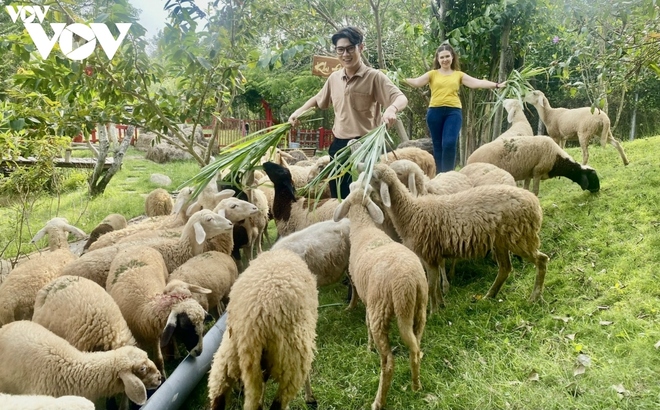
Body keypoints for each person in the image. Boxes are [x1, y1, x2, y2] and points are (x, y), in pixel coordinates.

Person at [288, 26, 408, 199]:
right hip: (339, 145)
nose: (345, 54)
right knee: (339, 193)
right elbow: (318, 99)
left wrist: (391, 109)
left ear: (361, 47)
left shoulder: (373, 76)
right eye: (340, 50)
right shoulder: (334, 78)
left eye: (350, 48)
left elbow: (400, 97)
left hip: (366, 145)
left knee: (367, 194)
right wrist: (298, 111)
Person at [405, 44, 506, 173]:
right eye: (442, 57)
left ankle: (448, 175)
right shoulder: (432, 74)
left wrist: (497, 85)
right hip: (434, 112)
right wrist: (396, 78)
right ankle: (439, 176)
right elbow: (416, 82)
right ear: (437, 59)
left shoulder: (458, 75)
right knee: (437, 146)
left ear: (452, 57)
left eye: (447, 56)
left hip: (453, 112)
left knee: (449, 143)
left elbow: (477, 82)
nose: (445, 59)